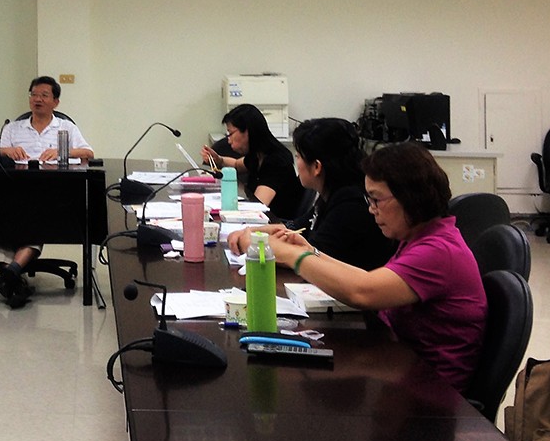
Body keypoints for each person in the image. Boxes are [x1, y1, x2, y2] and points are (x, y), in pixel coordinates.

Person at [267, 142, 487, 392]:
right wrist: (310, 252)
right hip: (402, 365)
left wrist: (293, 256)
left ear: (411, 198)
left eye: (377, 199)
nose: (371, 209)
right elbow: (369, 279)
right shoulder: (421, 238)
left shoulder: (438, 252)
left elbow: (362, 291)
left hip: (429, 392)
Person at [227, 118, 395, 271]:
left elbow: (309, 260)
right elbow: (294, 228)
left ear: (316, 167)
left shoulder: (350, 204)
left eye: (298, 157)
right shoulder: (331, 194)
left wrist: (255, 246)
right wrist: (252, 231)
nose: (297, 163)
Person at [0, 76, 93, 307]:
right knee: (1, 220)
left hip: (51, 194)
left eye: (44, 95)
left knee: (37, 217)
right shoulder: (13, 128)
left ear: (56, 101)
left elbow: (88, 153)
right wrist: (7, 150)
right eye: (34, 94)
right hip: (15, 191)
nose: (38, 99)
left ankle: (11, 275)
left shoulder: (65, 127)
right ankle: (14, 278)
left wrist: (63, 152)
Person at [201, 103, 305, 220]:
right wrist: (218, 160)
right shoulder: (258, 154)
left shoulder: (277, 161)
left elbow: (257, 206)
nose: (228, 140)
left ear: (247, 132)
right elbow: (236, 164)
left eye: (230, 134)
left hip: (274, 223)